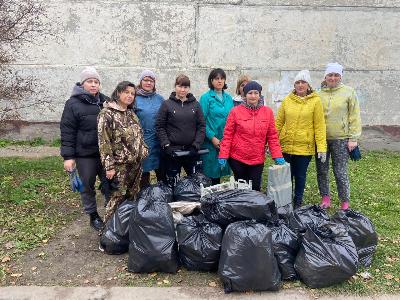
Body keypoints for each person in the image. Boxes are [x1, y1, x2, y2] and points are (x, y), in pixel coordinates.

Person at [60, 67, 110, 231]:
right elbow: (67, 130)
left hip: (105, 154)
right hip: (84, 155)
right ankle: (93, 215)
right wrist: (68, 157)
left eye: (96, 82)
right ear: (83, 84)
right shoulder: (73, 104)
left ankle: (112, 212)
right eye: (90, 81)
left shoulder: (105, 102)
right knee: (86, 185)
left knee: (110, 183)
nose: (93, 85)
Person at [218, 81, 285, 191]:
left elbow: (272, 136)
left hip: (257, 159)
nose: (253, 96)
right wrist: (223, 155)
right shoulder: (235, 112)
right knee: (241, 188)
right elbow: (228, 135)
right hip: (238, 158)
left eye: (256, 93)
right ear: (245, 95)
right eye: (250, 93)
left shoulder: (267, 112)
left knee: (255, 188)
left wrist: (277, 155)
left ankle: (254, 208)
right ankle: (240, 208)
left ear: (259, 95)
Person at [98, 81, 148, 222]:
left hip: (135, 164)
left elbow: (139, 135)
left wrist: (143, 150)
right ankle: (107, 235)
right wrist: (109, 167)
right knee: (116, 199)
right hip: (119, 166)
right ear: (118, 93)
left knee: (131, 198)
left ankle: (124, 230)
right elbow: (104, 142)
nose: (130, 96)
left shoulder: (131, 113)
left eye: (133, 93)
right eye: (126, 92)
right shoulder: (107, 114)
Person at [276, 70, 327, 209]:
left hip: (304, 147)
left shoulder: (315, 101)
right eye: (297, 82)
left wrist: (322, 147)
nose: (300, 85)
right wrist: (273, 143)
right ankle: (285, 202)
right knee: (286, 176)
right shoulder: (287, 100)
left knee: (300, 176)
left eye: (303, 82)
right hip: (286, 145)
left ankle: (297, 202)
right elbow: (279, 123)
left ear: (308, 85)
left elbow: (319, 126)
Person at [317, 62, 362, 210]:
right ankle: (325, 198)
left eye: (336, 75)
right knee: (322, 170)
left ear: (340, 76)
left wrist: (353, 138)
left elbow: (354, 116)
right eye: (330, 75)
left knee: (340, 171)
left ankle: (344, 202)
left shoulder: (349, 92)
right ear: (325, 76)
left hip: (341, 139)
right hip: (321, 140)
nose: (333, 78)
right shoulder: (318, 94)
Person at [155, 75, 206, 187]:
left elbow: (201, 126)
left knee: (197, 183)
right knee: (172, 183)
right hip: (173, 152)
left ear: (189, 88)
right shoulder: (167, 104)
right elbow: (160, 126)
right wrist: (166, 144)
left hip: (192, 151)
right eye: (180, 86)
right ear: (175, 86)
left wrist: (196, 145)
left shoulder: (196, 105)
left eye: (185, 87)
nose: (182, 90)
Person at [199, 68, 234, 185]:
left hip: (225, 140)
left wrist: (227, 138)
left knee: (220, 172)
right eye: (216, 79)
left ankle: (217, 198)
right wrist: (212, 137)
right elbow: (201, 121)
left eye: (222, 78)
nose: (219, 81)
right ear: (211, 81)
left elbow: (232, 119)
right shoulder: (206, 98)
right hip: (210, 140)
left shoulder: (229, 98)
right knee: (210, 173)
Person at [134, 70, 165, 188]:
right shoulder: (134, 99)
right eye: (145, 80)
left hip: (159, 141)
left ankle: (162, 197)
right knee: (144, 174)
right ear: (140, 82)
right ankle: (145, 198)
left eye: (151, 80)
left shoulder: (160, 99)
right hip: (143, 142)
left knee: (162, 173)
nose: (148, 83)